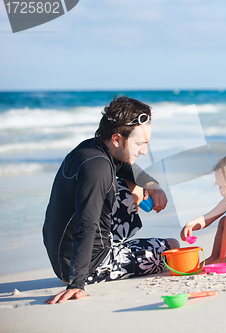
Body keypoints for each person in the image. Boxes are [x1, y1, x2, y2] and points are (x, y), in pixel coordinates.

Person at [43, 96, 179, 304]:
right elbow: (86, 226)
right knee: (172, 247)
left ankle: (115, 245)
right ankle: (112, 255)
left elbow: (123, 165)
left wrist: (151, 183)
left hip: (64, 254)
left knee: (128, 184)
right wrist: (77, 283)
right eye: (140, 144)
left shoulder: (93, 149)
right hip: (88, 264)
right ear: (116, 139)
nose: (144, 151)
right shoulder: (98, 170)